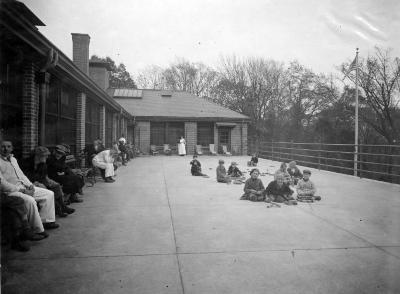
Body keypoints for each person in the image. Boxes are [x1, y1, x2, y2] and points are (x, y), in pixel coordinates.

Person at [0, 140, 59, 233]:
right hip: (10, 191)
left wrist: (30, 185)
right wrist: (22, 190)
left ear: (12, 148)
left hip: (23, 186)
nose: (5, 149)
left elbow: (22, 175)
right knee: (30, 201)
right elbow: (2, 183)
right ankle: (37, 230)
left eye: (8, 146)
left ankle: (47, 221)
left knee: (49, 194)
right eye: (3, 146)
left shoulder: (13, 159)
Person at [25, 146, 75, 217]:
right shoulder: (27, 163)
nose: (47, 157)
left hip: (40, 181)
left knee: (56, 186)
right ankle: (58, 209)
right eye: (45, 155)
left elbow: (44, 176)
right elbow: (25, 176)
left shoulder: (43, 164)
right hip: (30, 183)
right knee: (49, 192)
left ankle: (63, 207)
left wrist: (49, 182)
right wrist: (38, 183)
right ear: (39, 156)